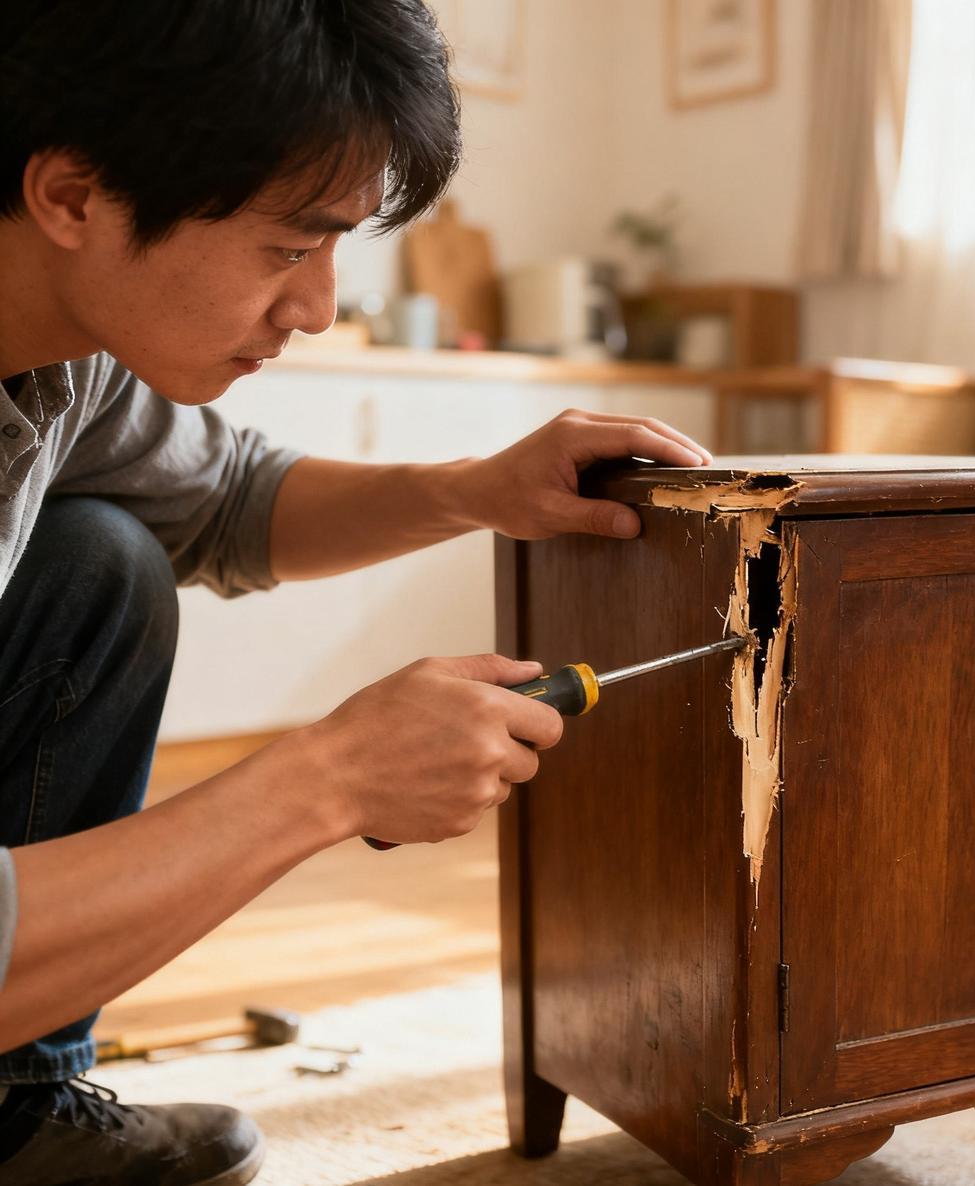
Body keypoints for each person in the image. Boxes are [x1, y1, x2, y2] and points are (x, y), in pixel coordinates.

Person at [0, 2, 712, 1181]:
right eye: (289, 246)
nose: (318, 307)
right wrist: (328, 778)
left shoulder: (65, 352)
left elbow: (227, 500)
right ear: (72, 196)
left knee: (104, 556)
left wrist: (480, 487)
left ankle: (15, 1108)